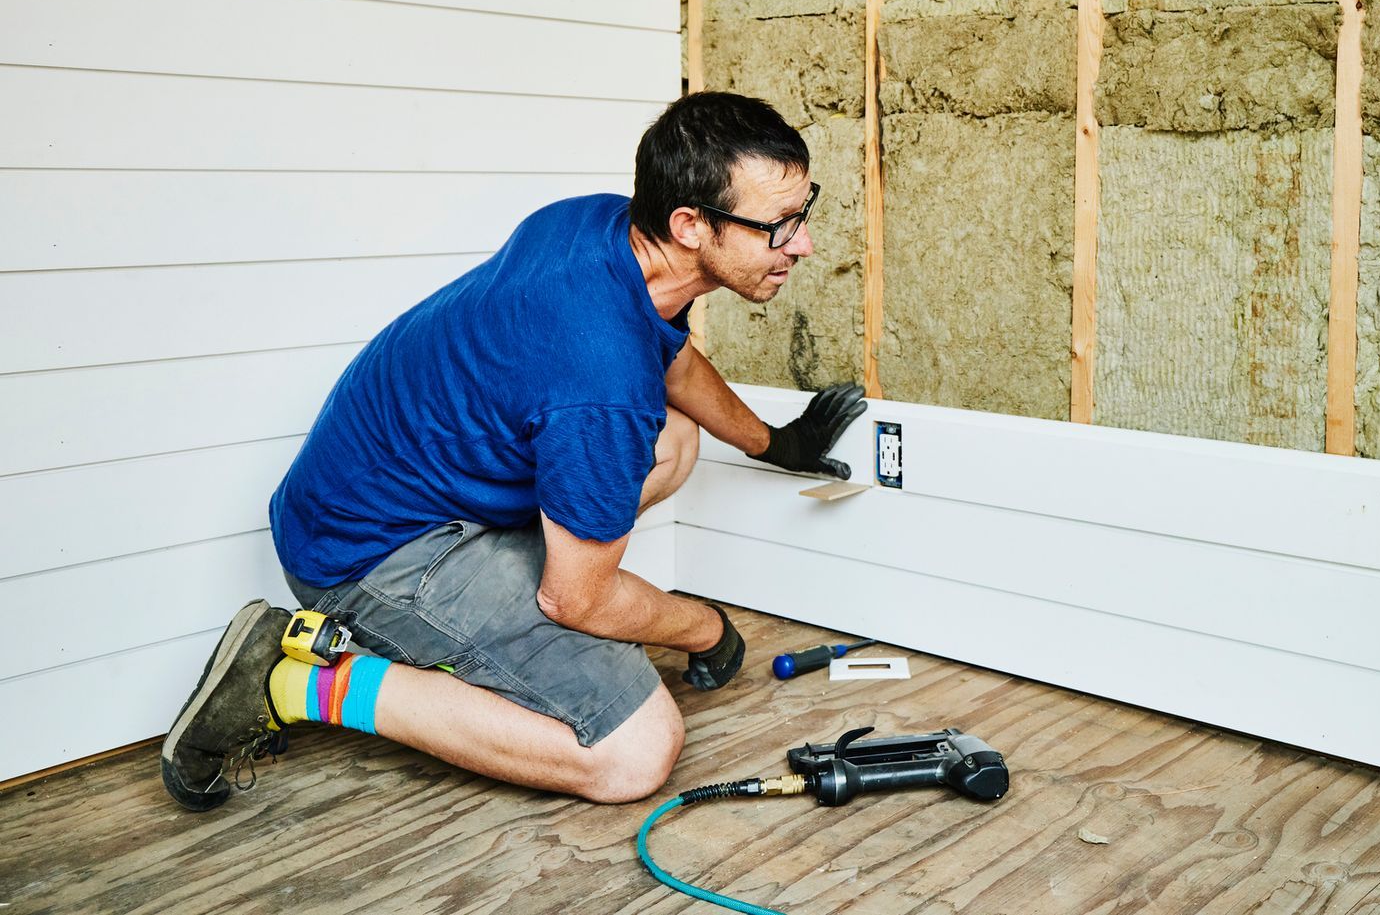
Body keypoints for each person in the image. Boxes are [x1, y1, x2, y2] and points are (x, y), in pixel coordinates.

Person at [159, 92, 867, 810]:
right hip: (368, 551)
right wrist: (706, 627)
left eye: (801, 212)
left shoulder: (600, 228)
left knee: (674, 439)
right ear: (690, 225)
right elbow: (575, 598)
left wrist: (775, 442)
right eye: (778, 226)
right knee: (634, 751)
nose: (801, 243)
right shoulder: (601, 378)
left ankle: (515, 582)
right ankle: (294, 681)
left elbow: (672, 361)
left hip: (377, 488)